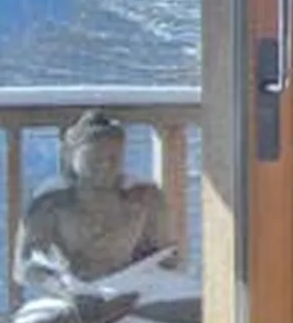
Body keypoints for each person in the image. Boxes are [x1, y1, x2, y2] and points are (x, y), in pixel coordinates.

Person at [15, 110, 177, 293]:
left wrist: (146, 278)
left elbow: (165, 256)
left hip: (130, 291)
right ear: (71, 156)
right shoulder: (51, 202)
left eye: (114, 158)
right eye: (94, 158)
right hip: (72, 294)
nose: (105, 165)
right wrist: (58, 286)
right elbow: (27, 264)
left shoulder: (145, 197)